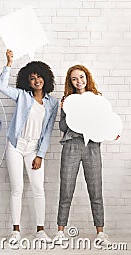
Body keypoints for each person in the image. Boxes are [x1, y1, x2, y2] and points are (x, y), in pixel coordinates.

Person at [0, 49, 58, 246]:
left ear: (45, 78)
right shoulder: (22, 96)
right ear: (27, 81)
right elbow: (2, 86)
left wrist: (40, 155)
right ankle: (15, 231)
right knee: (17, 188)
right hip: (16, 145)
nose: (36, 80)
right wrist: (8, 64)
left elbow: (48, 131)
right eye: (32, 78)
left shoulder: (52, 103)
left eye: (39, 76)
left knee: (38, 188)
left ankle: (40, 230)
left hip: (34, 149)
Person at [53, 65, 111, 246]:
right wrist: (64, 111)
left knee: (95, 190)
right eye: (74, 79)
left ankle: (100, 233)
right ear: (70, 82)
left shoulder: (97, 98)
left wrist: (112, 131)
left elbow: (104, 122)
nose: (79, 81)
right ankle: (60, 231)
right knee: (66, 190)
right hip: (71, 146)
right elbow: (62, 128)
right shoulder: (67, 100)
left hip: (92, 147)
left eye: (81, 77)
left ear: (87, 77)